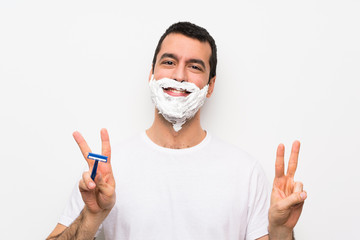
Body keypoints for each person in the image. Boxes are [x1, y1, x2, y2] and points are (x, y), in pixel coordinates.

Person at [47, 22, 307, 240]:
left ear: (211, 84)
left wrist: (281, 233)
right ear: (152, 75)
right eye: (169, 62)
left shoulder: (245, 172)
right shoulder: (108, 171)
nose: (180, 75)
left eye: (195, 66)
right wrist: (91, 217)